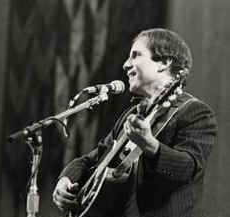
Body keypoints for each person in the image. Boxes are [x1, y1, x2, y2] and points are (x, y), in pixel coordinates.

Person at [52, 28, 218, 217]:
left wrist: (150, 145)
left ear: (164, 62)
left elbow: (189, 168)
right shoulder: (130, 115)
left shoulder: (195, 112)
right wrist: (65, 179)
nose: (125, 65)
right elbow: (92, 158)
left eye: (135, 56)